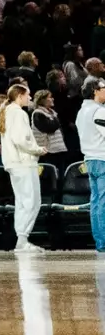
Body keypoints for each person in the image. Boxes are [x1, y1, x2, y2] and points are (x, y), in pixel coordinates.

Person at [0, 83, 45, 253]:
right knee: (31, 201)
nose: (30, 98)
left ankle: (22, 239)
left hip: (14, 163)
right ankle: (23, 239)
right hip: (23, 163)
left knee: (23, 202)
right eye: (28, 95)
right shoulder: (18, 113)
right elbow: (20, 139)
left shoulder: (8, 112)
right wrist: (37, 149)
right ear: (19, 96)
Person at [77, 77, 105, 252]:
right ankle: (102, 242)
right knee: (101, 202)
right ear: (95, 90)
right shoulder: (99, 111)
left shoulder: (82, 111)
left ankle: (100, 242)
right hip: (102, 159)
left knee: (96, 201)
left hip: (90, 159)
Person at [30, 90, 69, 170]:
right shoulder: (38, 113)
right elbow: (50, 127)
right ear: (42, 100)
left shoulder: (51, 113)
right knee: (50, 178)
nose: (53, 99)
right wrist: (55, 117)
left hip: (57, 151)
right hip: (47, 153)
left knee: (60, 178)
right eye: (50, 97)